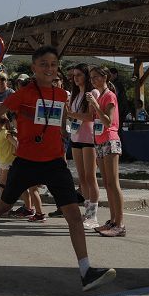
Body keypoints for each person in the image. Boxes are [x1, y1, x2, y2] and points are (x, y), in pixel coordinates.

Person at [0, 46, 116, 293]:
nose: (49, 68)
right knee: (5, 204)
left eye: (53, 64)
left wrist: (67, 141)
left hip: (54, 163)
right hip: (26, 162)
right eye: (44, 64)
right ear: (33, 68)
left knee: (74, 215)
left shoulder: (62, 95)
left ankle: (86, 271)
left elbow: (60, 126)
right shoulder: (24, 94)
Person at [87, 65, 125, 237]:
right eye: (91, 77)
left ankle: (120, 224)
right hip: (100, 141)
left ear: (104, 78)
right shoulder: (101, 95)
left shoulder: (109, 95)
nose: (92, 80)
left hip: (110, 139)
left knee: (113, 183)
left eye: (95, 77)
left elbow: (108, 121)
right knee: (107, 184)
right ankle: (112, 221)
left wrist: (95, 104)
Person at [66, 64, 100, 229]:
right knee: (81, 178)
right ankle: (88, 212)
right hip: (75, 137)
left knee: (90, 177)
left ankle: (93, 215)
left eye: (79, 75)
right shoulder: (74, 94)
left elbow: (90, 116)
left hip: (89, 139)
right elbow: (73, 117)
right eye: (74, 75)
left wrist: (71, 114)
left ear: (86, 76)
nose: (75, 78)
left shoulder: (92, 93)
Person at [0, 116, 41, 220]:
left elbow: (16, 144)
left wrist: (18, 153)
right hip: (4, 162)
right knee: (4, 185)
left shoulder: (6, 133)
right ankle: (23, 208)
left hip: (10, 162)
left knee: (9, 186)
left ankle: (11, 208)